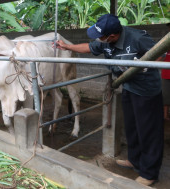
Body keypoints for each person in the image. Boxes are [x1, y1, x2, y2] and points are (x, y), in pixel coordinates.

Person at [55, 14, 163, 186]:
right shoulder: (105, 41)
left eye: (101, 36)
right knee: (132, 127)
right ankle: (134, 160)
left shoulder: (137, 38)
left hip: (146, 91)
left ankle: (149, 173)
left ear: (112, 36)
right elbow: (88, 47)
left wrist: (141, 66)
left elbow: (159, 55)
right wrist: (66, 46)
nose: (98, 39)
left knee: (148, 132)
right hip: (128, 87)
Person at [161, 23, 170, 120]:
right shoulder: (165, 41)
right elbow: (160, 54)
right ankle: (165, 115)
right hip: (166, 73)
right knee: (166, 95)